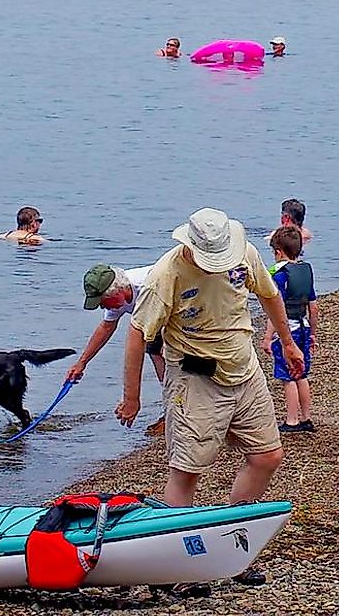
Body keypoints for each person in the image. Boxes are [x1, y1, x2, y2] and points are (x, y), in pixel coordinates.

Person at [117, 208, 306, 511]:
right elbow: (137, 333)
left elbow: (269, 295)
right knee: (187, 471)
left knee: (267, 456)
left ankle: (235, 523)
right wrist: (132, 398)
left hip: (244, 368)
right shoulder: (167, 274)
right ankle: (177, 545)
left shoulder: (245, 253)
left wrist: (287, 343)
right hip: (195, 378)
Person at [266, 223, 317, 433]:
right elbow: (313, 307)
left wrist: (268, 337)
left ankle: (292, 420)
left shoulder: (280, 276)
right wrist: (313, 333)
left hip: (288, 331)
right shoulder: (305, 272)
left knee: (288, 378)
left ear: (278, 252)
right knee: (302, 374)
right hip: (304, 327)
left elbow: (276, 310)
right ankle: (306, 418)